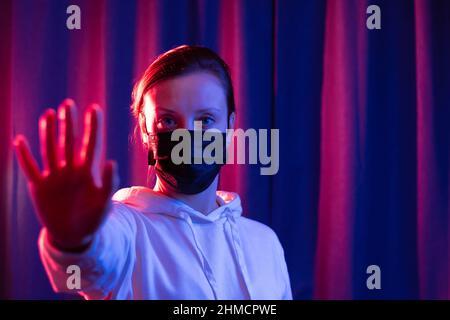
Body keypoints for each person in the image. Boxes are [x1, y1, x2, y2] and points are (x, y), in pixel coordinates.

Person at [13, 45, 292, 300]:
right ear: (146, 132)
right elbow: (92, 265)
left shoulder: (264, 243)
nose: (186, 136)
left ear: (230, 127)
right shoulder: (125, 229)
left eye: (205, 119)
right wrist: (75, 240)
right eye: (168, 121)